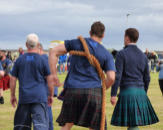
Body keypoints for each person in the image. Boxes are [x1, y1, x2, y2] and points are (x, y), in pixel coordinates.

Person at [49, 21, 116, 130]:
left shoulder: (76, 43)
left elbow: (53, 52)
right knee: (95, 126)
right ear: (103, 35)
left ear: (90, 32)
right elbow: (112, 77)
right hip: (93, 91)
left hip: (73, 90)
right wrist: (103, 89)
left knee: (67, 125)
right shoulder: (105, 53)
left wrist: (54, 75)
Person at [111, 28, 159, 130]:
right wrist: (144, 92)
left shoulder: (121, 54)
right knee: (133, 123)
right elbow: (147, 77)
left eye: (124, 36)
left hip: (127, 91)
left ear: (127, 38)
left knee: (132, 124)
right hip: (140, 91)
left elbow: (117, 75)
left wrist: (113, 94)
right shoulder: (143, 56)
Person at [10, 33, 54, 130]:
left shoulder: (19, 60)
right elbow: (50, 79)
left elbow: (13, 79)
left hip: (24, 97)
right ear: (38, 44)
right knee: (41, 126)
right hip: (39, 97)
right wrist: (50, 95)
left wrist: (12, 95)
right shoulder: (42, 60)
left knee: (22, 127)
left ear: (26, 44)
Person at [38, 43, 54, 130]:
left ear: (39, 49)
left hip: (44, 91)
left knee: (44, 116)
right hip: (46, 91)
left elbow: (50, 77)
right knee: (48, 114)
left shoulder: (43, 60)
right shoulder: (48, 59)